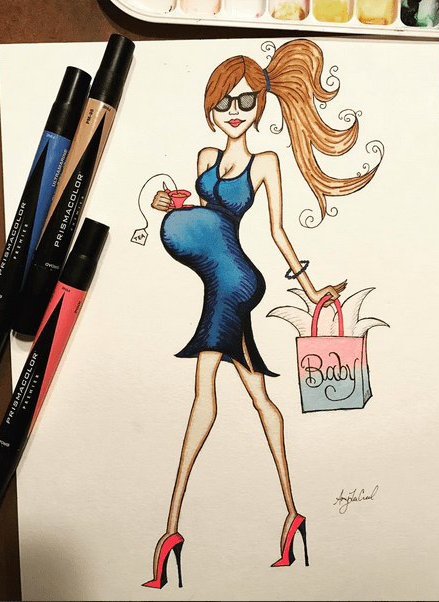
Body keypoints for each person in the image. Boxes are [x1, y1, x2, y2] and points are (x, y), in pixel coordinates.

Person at [143, 39, 381, 589]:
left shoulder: (265, 162)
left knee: (204, 396)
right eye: (224, 103)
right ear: (211, 108)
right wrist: (171, 206)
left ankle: (170, 530)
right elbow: (202, 216)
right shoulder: (205, 159)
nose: (234, 112)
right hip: (219, 280)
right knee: (259, 397)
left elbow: (276, 231)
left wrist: (312, 287)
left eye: (245, 102)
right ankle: (292, 516)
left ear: (261, 105)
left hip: (235, 281)